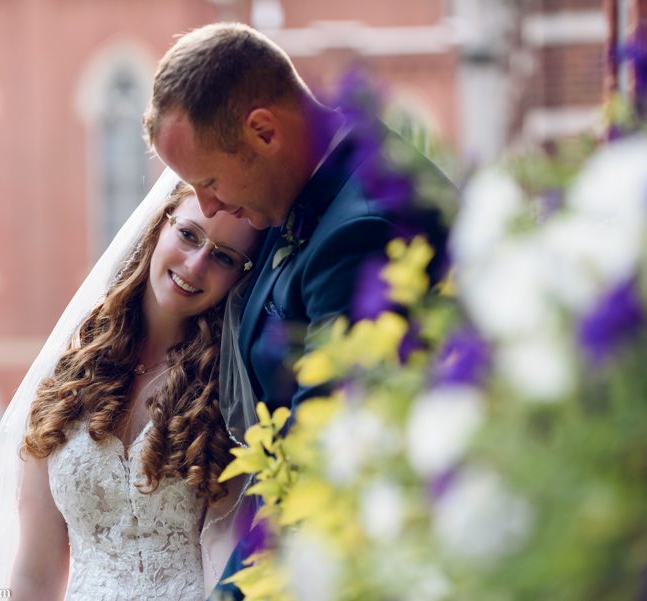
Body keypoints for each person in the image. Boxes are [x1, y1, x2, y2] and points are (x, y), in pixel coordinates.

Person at [144, 22, 454, 599]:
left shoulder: (363, 224)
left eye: (208, 181)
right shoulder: (299, 195)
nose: (208, 206)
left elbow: (327, 453)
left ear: (263, 131)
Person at [0, 177, 261, 601]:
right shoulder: (69, 377)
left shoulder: (226, 390)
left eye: (223, 257)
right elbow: (37, 570)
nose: (196, 265)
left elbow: (222, 549)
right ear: (158, 226)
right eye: (188, 235)